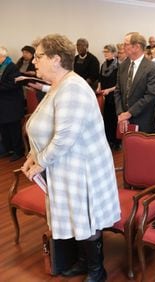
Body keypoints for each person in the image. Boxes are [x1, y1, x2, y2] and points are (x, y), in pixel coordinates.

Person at [22, 34, 120, 282]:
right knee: (76, 217)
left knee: (85, 218)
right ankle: (85, 262)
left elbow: (64, 137)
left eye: (39, 57)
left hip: (82, 168)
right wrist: (33, 156)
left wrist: (40, 162)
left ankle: (98, 270)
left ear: (56, 59)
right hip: (66, 166)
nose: (34, 62)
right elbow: (46, 129)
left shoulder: (73, 88)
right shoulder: (59, 85)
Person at [115, 32, 155, 134]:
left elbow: (150, 95)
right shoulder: (123, 66)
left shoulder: (152, 68)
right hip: (124, 121)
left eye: (126, 44)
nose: (123, 47)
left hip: (144, 121)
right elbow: (118, 91)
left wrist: (129, 113)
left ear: (137, 47)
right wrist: (121, 114)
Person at [0, 46, 25, 162]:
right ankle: (8, 149)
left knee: (14, 129)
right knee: (4, 128)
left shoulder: (12, 67)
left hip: (11, 104)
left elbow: (14, 85)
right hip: (3, 104)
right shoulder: (1, 66)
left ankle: (18, 151)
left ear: (2, 56)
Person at [96, 44, 120, 150]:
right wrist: (99, 88)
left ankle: (115, 141)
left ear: (114, 53)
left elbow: (119, 84)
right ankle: (108, 140)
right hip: (104, 95)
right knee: (105, 118)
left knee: (113, 119)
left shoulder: (118, 66)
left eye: (107, 52)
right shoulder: (103, 65)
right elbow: (100, 79)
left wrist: (109, 90)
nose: (105, 54)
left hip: (113, 96)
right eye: (104, 52)